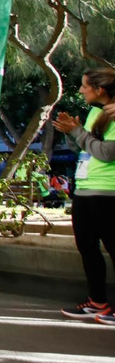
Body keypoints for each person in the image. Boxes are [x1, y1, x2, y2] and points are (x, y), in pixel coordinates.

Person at [54, 69, 115, 322]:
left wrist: (79, 133)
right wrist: (72, 132)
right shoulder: (95, 113)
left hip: (108, 192)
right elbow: (85, 145)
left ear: (99, 89)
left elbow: (106, 152)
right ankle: (97, 302)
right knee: (87, 248)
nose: (80, 90)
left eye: (83, 86)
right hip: (84, 190)